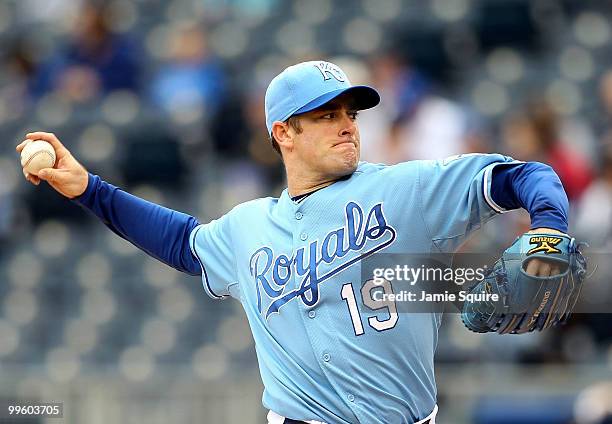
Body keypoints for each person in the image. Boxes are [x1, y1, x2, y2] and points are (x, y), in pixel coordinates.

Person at [17, 61, 570, 424]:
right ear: (283, 132)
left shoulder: (408, 189)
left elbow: (524, 176)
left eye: (350, 114)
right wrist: (89, 189)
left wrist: (549, 226)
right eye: (326, 115)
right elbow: (179, 241)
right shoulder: (249, 226)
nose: (347, 126)